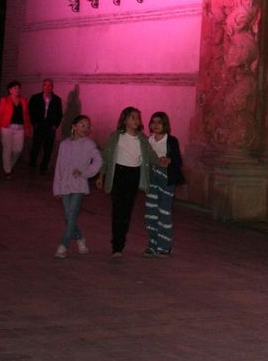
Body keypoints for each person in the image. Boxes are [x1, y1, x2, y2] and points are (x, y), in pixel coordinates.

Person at [96, 107, 160, 257]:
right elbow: (106, 157)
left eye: (138, 117)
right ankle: (117, 246)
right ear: (124, 120)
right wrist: (101, 176)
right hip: (119, 174)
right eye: (132, 117)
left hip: (133, 175)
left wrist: (163, 161)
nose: (136, 120)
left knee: (127, 211)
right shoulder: (116, 137)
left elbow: (151, 156)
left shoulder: (142, 139)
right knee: (118, 211)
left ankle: (120, 241)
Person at [52, 115, 103, 258]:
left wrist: (85, 173)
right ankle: (80, 238)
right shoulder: (64, 144)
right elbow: (59, 167)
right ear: (74, 126)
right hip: (65, 185)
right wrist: (57, 188)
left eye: (88, 126)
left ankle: (63, 245)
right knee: (68, 217)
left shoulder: (89, 144)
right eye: (82, 124)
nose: (85, 128)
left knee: (72, 214)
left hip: (79, 185)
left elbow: (98, 161)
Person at [144, 111, 184, 257]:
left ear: (165, 124)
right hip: (152, 180)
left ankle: (165, 246)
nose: (155, 125)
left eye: (159, 122)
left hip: (166, 181)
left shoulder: (171, 140)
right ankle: (152, 244)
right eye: (153, 122)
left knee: (164, 213)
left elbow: (178, 160)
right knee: (151, 213)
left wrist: (168, 160)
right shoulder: (148, 141)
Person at [0, 81, 33, 179]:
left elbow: (26, 116)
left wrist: (28, 128)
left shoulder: (23, 101)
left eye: (18, 88)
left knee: (18, 149)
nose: (17, 90)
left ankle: (9, 165)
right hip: (7, 128)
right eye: (15, 88)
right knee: (7, 149)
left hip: (20, 128)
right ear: (10, 90)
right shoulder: (4, 100)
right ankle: (7, 171)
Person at [28, 79, 63, 176]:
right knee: (36, 146)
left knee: (48, 148)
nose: (47, 87)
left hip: (50, 127)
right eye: (45, 85)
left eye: (49, 85)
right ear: (42, 86)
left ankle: (44, 168)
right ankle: (32, 165)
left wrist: (55, 125)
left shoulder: (56, 99)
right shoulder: (35, 98)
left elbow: (59, 114)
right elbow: (31, 111)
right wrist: (34, 123)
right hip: (39, 126)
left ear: (52, 87)